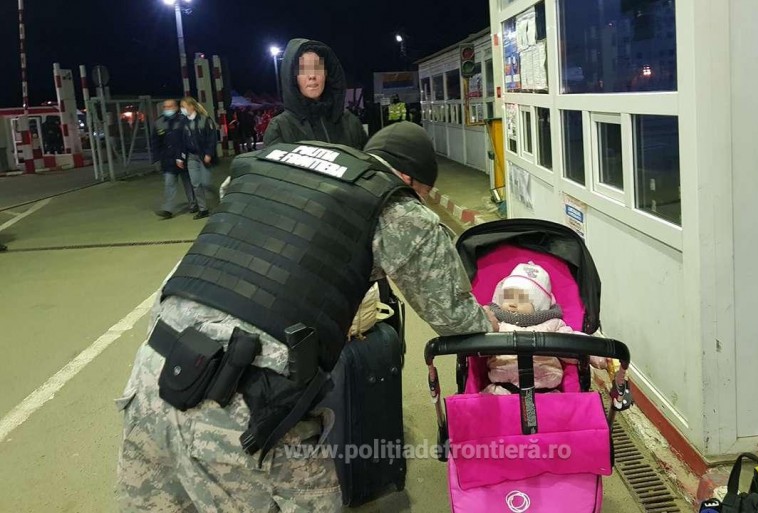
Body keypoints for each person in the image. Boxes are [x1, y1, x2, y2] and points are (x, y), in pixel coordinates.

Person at [116, 121, 498, 512]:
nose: (420, 200)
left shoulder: (268, 164)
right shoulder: (395, 205)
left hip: (152, 375)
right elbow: (459, 320)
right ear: (407, 178)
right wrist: (496, 324)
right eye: (422, 193)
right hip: (241, 409)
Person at [481, 262, 608, 395]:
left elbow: (572, 341)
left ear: (539, 303)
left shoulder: (552, 325)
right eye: (508, 297)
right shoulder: (497, 323)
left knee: (564, 409)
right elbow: (479, 344)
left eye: (522, 299)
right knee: (484, 405)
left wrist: (595, 352)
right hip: (503, 387)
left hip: (546, 389)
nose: (512, 304)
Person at [264, 38, 368, 150]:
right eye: (304, 69)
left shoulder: (350, 122)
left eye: (317, 68)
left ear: (327, 74)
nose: (312, 76)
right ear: (293, 77)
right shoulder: (280, 128)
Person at [153, 99, 197, 219]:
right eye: (165, 107)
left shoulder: (184, 120)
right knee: (169, 184)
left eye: (170, 106)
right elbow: (155, 142)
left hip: (184, 158)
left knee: (189, 183)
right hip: (168, 160)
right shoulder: (159, 122)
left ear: (176, 107)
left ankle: (194, 204)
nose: (167, 109)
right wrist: (156, 159)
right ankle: (168, 210)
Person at [178, 96, 218, 220]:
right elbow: (182, 141)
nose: (182, 109)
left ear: (191, 106)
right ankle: (203, 209)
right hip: (191, 156)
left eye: (184, 106)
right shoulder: (183, 123)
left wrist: (209, 153)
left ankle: (218, 197)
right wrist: (180, 157)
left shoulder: (205, 120)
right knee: (195, 183)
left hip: (203, 155)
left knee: (205, 182)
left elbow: (212, 138)